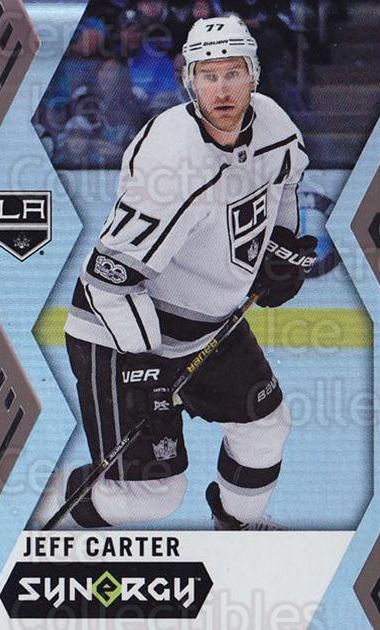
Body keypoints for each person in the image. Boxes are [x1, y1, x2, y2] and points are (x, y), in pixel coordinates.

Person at [63, 14, 317, 530]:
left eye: (233, 73)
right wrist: (145, 367)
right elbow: (107, 281)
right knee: (153, 497)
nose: (221, 90)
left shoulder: (274, 125)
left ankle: (237, 527)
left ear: (254, 75)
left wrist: (282, 245)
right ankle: (42, 511)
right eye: (208, 75)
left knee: (265, 428)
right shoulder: (171, 160)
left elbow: (287, 184)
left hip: (207, 326)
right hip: (119, 333)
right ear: (189, 81)